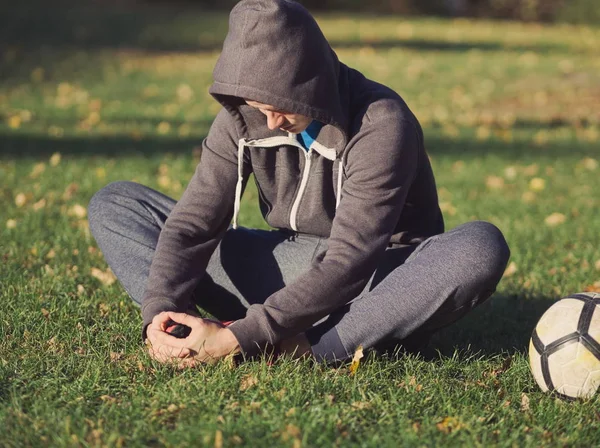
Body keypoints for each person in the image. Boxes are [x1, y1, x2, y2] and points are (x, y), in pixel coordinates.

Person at [88, 0, 510, 366]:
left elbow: (350, 261)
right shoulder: (242, 116)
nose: (271, 121)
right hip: (291, 268)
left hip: (375, 284)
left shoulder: (381, 124)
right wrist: (162, 309)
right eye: (258, 106)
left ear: (313, 82)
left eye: (281, 107)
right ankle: (188, 337)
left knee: (478, 248)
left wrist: (239, 338)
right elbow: (192, 225)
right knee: (117, 203)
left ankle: (307, 347)